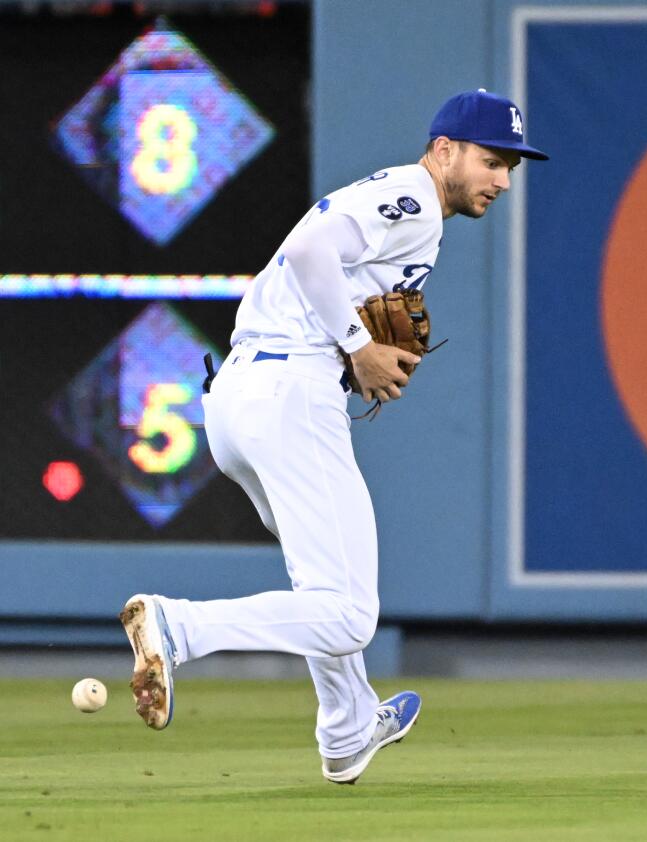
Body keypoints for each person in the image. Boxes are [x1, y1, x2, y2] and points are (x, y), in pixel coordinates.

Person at [119, 89, 548, 782]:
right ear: (444, 152)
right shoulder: (412, 198)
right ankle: (179, 628)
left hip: (240, 396)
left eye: (511, 168)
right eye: (492, 162)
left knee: (322, 585)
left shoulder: (407, 205)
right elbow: (310, 249)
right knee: (350, 615)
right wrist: (357, 343)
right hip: (291, 387)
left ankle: (348, 726)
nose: (502, 180)